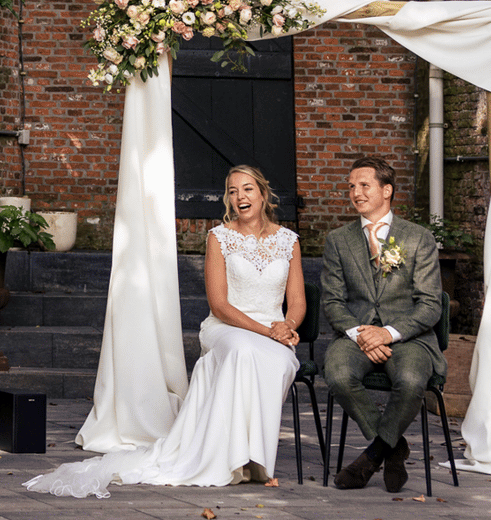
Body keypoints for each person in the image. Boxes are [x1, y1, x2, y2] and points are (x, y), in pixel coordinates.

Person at [24, 165, 305, 497]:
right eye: (232, 191)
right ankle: (237, 459)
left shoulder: (288, 240)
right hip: (228, 327)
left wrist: (287, 327)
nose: (240, 197)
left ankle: (259, 461)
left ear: (262, 193)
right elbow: (219, 305)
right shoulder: (220, 237)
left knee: (279, 362)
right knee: (243, 351)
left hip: (273, 332)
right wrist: (264, 331)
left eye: (247, 189)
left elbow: (297, 302)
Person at [321, 155, 444, 493]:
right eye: (351, 187)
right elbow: (332, 301)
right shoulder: (337, 240)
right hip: (356, 335)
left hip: (409, 338)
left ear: (387, 190)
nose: (355, 193)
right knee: (339, 375)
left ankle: (373, 455)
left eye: (364, 185)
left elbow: (431, 304)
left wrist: (388, 333)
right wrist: (363, 335)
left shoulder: (418, 238)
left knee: (410, 379)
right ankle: (393, 445)